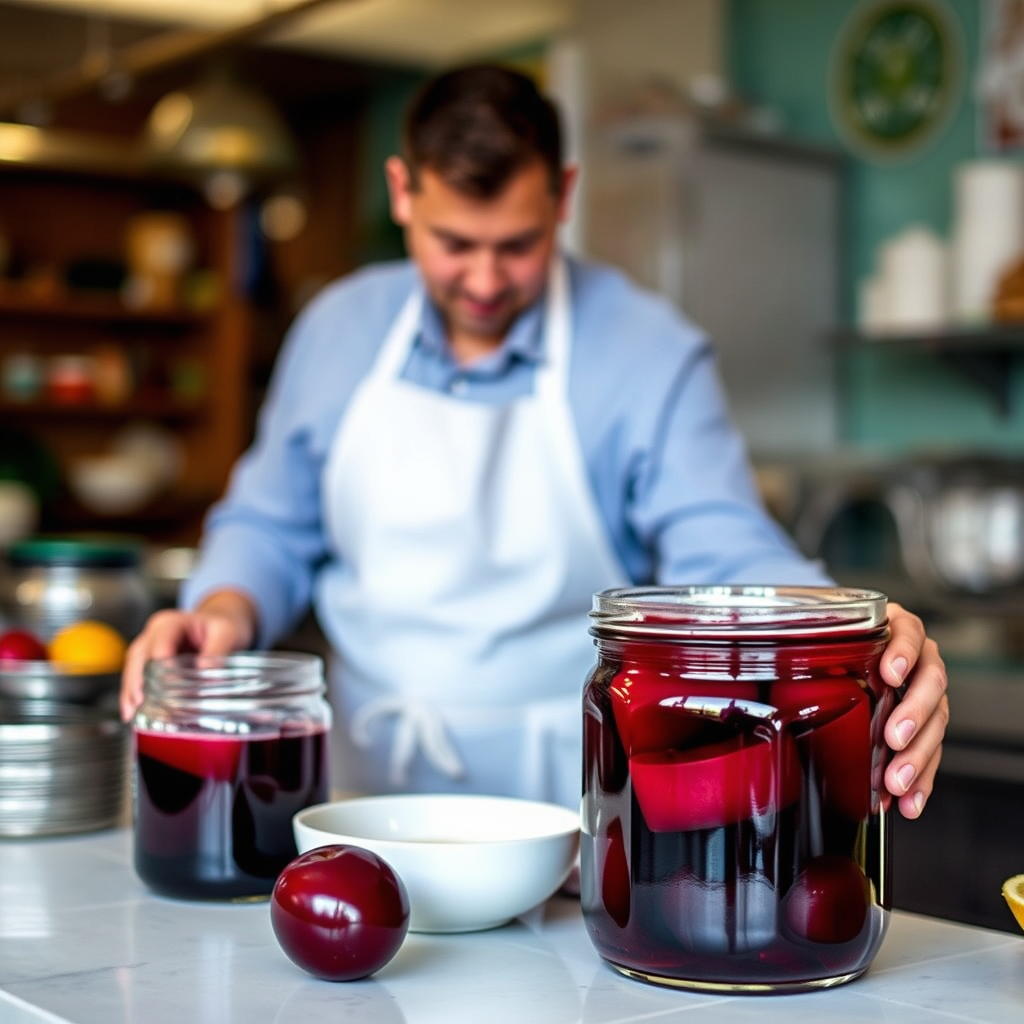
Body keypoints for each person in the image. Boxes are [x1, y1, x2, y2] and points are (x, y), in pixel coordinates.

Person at [121, 64, 947, 816]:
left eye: (516, 246)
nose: (483, 281)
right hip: (361, 789)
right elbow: (271, 524)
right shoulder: (337, 330)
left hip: (569, 806)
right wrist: (223, 608)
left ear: (564, 195)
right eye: (454, 244)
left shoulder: (647, 352)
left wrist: (852, 634)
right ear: (403, 192)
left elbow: (724, 551)